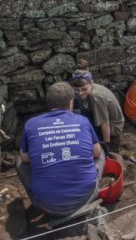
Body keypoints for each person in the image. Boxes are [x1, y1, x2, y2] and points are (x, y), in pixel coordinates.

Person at [17, 82, 105, 217]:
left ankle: (39, 193)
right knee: (101, 152)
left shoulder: (31, 124)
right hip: (85, 197)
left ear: (48, 103)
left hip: (46, 206)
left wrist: (43, 155)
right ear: (71, 102)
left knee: (19, 162)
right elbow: (96, 153)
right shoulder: (82, 121)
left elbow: (24, 158)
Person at [71, 59, 124, 152]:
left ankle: (98, 139)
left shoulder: (95, 96)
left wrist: (106, 145)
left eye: (84, 89)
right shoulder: (91, 88)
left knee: (83, 125)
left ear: (91, 83)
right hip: (104, 117)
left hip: (113, 127)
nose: (80, 93)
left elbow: (105, 123)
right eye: (76, 90)